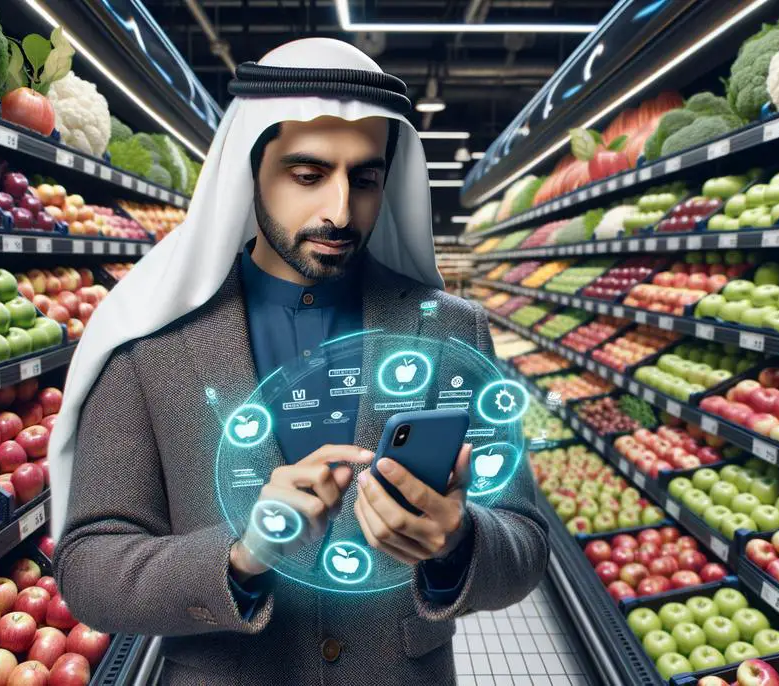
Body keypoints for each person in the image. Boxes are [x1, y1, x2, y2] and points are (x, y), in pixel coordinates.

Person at [48, 38, 549, 685]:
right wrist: (240, 556)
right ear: (250, 169)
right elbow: (90, 567)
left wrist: (457, 543)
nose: (340, 210)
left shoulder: (452, 330)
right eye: (308, 175)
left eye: (365, 179)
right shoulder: (149, 342)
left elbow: (526, 541)